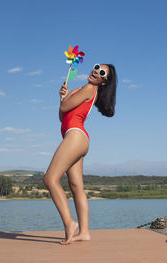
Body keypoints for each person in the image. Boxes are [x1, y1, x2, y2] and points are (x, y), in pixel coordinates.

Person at [43, 64, 117, 245]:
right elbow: (63, 115)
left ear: (104, 82)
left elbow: (65, 107)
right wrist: (62, 98)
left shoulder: (89, 88)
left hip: (75, 136)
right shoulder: (81, 89)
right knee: (76, 186)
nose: (96, 71)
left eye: (101, 72)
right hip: (79, 138)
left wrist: (63, 100)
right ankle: (84, 232)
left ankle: (69, 223)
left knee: (50, 179)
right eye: (97, 67)